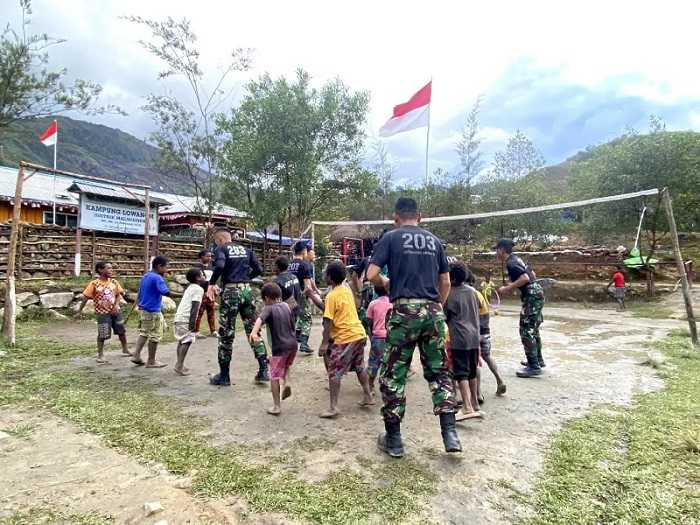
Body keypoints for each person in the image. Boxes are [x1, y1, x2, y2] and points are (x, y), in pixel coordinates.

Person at [367, 197, 461, 458]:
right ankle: (449, 433)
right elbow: (445, 281)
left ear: (396, 216)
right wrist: (436, 308)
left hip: (404, 311)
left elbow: (371, 274)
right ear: (419, 216)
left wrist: (387, 282)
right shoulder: (434, 241)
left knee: (394, 375)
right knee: (440, 372)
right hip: (433, 311)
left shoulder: (391, 237)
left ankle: (394, 440)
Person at [206, 228, 268, 386]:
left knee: (226, 334)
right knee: (253, 330)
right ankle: (263, 371)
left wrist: (211, 284)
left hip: (231, 292)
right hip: (247, 291)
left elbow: (219, 266)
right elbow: (259, 270)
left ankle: (224, 376)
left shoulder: (221, 249)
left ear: (220, 240)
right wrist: (246, 278)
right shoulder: (246, 250)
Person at [318, 260, 374, 419]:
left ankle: (333, 407)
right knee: (359, 366)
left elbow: (328, 320)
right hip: (358, 334)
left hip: (345, 338)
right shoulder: (346, 290)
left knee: (334, 372)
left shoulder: (331, 295)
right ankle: (368, 396)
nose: (324, 276)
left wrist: (324, 343)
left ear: (329, 277)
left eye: (325, 274)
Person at [495, 239, 546, 378]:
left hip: (531, 296)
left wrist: (507, 288)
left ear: (502, 250)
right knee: (533, 328)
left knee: (525, 329)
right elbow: (532, 275)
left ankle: (533, 366)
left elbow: (524, 278)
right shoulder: (517, 259)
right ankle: (537, 360)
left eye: (497, 249)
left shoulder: (511, 263)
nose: (496, 252)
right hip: (536, 292)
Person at [249, 282, 298, 416]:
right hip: (293, 345)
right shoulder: (287, 306)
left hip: (280, 348)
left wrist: (254, 333)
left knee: (274, 376)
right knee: (286, 366)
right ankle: (287, 382)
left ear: (266, 298)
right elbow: (293, 326)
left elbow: (260, 319)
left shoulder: (269, 308)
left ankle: (276, 406)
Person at [445, 262, 483, 421]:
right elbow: (480, 307)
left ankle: (466, 406)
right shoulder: (473, 292)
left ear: (451, 279)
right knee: (472, 371)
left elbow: (445, 316)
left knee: (461, 373)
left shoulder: (450, 294)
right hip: (474, 337)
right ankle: (474, 404)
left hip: (459, 338)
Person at [78, 261, 130, 363]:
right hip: (102, 314)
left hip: (115, 312)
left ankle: (125, 349)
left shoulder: (114, 282)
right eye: (108, 268)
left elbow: (119, 295)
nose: (111, 270)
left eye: (111, 268)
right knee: (103, 333)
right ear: (100, 270)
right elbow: (85, 297)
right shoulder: (94, 284)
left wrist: (116, 306)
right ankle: (100, 355)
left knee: (121, 331)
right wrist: (79, 310)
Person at [468, 272, 507, 400]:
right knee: (487, 357)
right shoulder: (479, 295)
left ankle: (478, 394)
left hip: (475, 333)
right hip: (485, 332)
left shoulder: (469, 295)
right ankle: (499, 380)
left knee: (474, 363)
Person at [132, 256, 170, 368]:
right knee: (155, 335)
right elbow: (165, 292)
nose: (167, 270)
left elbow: (140, 292)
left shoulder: (146, 275)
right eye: (166, 267)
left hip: (144, 309)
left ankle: (136, 355)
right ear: (159, 266)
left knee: (144, 332)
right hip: (153, 310)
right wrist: (184, 294)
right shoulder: (157, 278)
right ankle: (151, 361)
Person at [289, 241, 323, 355]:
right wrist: (310, 295)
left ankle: (296, 337)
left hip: (290, 295)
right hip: (301, 295)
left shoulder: (290, 264)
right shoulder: (304, 265)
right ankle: (304, 343)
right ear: (304, 251)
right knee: (307, 318)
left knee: (298, 318)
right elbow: (307, 286)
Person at [365, 284, 392, 394]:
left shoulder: (373, 304)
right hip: (391, 338)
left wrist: (371, 335)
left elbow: (369, 321)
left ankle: (370, 385)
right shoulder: (392, 303)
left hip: (377, 337)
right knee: (389, 363)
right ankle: (388, 387)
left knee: (374, 363)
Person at [195, 249, 217, 337]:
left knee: (211, 312)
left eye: (210, 256)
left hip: (210, 294)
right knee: (199, 313)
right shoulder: (197, 267)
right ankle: (196, 331)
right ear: (201, 257)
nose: (210, 258)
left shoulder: (211, 267)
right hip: (201, 293)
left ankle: (213, 331)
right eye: (207, 256)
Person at [273, 255, 302, 323]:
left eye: (274, 266)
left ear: (277, 266)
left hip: (284, 316)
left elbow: (276, 301)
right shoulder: (295, 277)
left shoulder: (277, 281)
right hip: (296, 312)